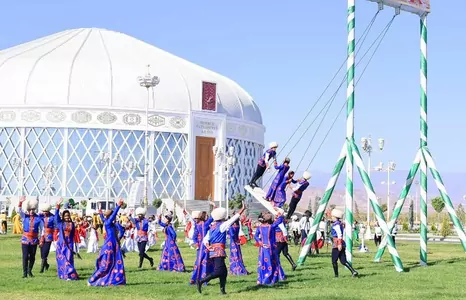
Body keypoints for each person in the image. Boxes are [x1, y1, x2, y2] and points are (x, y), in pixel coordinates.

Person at [196, 204, 246, 295]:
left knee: (224, 272)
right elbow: (233, 219)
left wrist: (208, 246)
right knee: (219, 271)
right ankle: (201, 281)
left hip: (214, 251)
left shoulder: (213, 227)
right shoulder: (222, 225)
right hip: (218, 251)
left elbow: (205, 239)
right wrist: (242, 209)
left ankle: (223, 291)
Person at [87, 198, 126, 286]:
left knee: (116, 263)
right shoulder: (108, 223)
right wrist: (118, 206)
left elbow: (121, 231)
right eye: (113, 215)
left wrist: (100, 213)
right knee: (105, 265)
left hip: (114, 245)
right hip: (109, 246)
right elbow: (112, 216)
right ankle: (91, 280)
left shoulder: (112, 224)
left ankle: (115, 280)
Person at [255, 210, 284, 285]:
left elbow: (255, 236)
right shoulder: (271, 226)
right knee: (271, 262)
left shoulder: (259, 227)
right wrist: (279, 213)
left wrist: (260, 242)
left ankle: (260, 278)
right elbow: (280, 220)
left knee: (262, 262)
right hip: (271, 247)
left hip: (262, 248)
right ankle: (270, 278)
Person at [54, 199, 79, 280]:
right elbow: (56, 218)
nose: (67, 217)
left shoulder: (72, 224)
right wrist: (57, 206)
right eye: (65, 216)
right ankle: (63, 275)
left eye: (68, 216)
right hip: (61, 244)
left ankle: (70, 275)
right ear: (63, 217)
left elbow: (73, 235)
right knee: (62, 260)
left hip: (69, 245)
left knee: (68, 259)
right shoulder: (60, 224)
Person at [330, 209, 358, 278]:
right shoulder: (340, 224)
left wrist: (339, 244)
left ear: (335, 217)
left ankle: (336, 276)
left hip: (337, 244)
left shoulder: (336, 225)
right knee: (343, 260)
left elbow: (339, 235)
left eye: (332, 217)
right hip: (341, 243)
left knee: (334, 260)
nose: (332, 218)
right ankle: (353, 271)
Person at [18, 196, 41, 278]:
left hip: (34, 240)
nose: (31, 211)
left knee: (32, 256)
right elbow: (19, 211)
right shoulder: (25, 216)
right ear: (28, 210)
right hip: (25, 239)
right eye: (30, 210)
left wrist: (41, 239)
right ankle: (24, 273)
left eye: (33, 209)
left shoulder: (38, 218)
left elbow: (42, 229)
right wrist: (20, 203)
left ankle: (29, 271)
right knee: (25, 256)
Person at [189, 210, 214, 285]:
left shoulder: (197, 225)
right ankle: (204, 279)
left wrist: (197, 243)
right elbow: (212, 217)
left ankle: (194, 278)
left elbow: (194, 237)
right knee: (205, 262)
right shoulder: (205, 224)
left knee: (198, 262)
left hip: (200, 246)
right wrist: (214, 207)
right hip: (205, 245)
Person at [38, 203, 56, 273]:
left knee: (45, 252)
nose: (45, 213)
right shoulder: (40, 216)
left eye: (46, 211)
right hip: (41, 236)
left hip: (49, 236)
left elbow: (55, 226)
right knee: (42, 253)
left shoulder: (53, 217)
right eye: (44, 211)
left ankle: (41, 268)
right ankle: (46, 264)